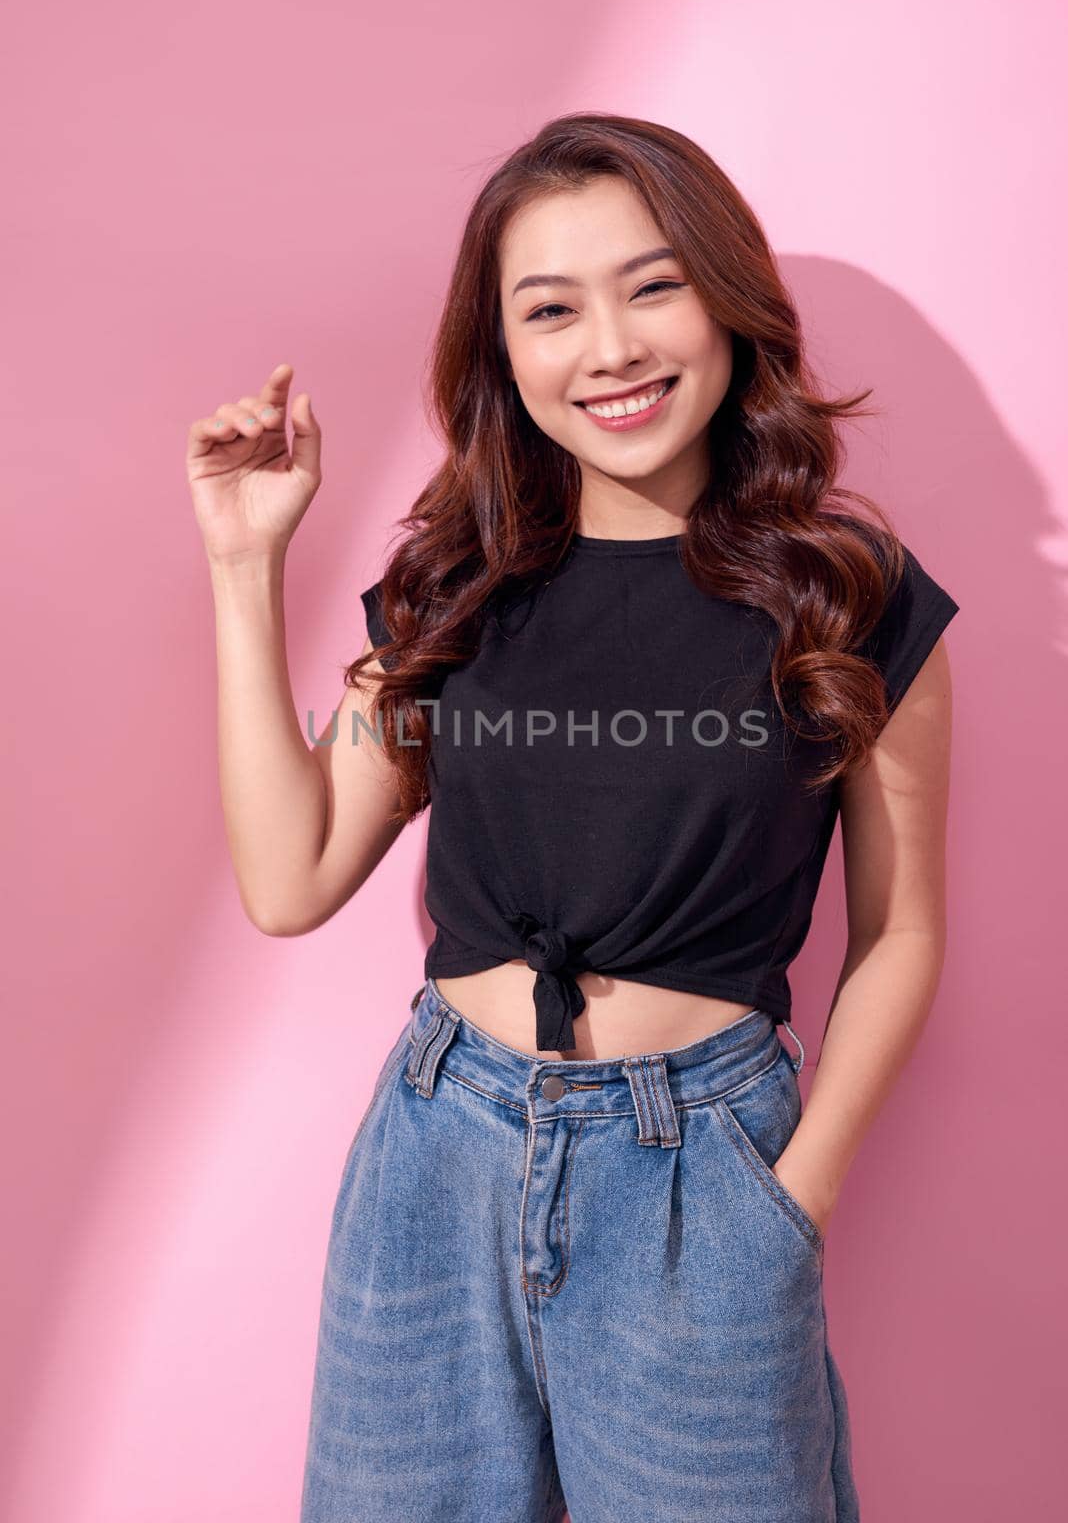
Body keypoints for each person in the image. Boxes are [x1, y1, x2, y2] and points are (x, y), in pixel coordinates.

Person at [186, 113, 959, 1522]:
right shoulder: (456, 586)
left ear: (726, 304)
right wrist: (247, 567)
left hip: (701, 1177)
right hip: (436, 1157)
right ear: (506, 353)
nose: (609, 347)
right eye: (552, 309)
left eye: (653, 285)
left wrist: (797, 1200)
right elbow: (290, 877)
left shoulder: (850, 594)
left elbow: (902, 930)